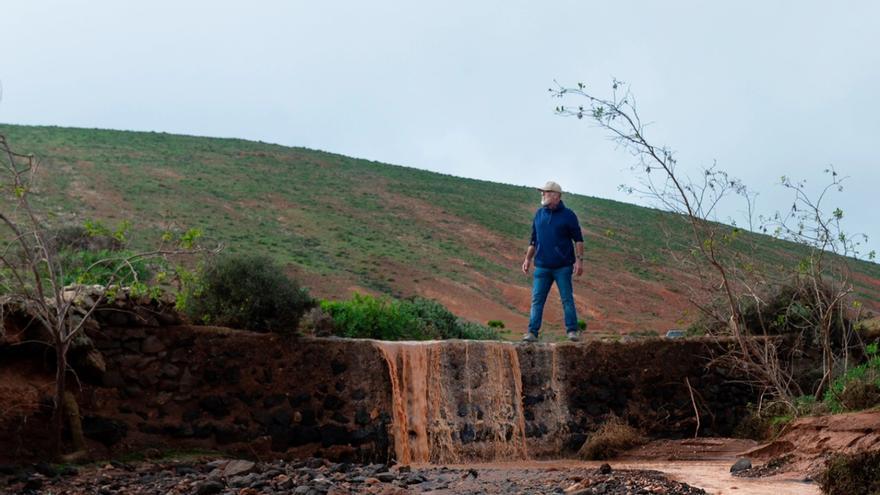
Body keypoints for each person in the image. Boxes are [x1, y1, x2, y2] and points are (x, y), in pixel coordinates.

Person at [521, 181, 585, 342]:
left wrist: (579, 261)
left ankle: (572, 331)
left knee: (566, 299)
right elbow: (533, 240)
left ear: (556, 195)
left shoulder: (568, 215)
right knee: (537, 300)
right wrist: (527, 259)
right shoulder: (539, 214)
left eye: (546, 192)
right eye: (542, 192)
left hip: (562, 266)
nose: (543, 195)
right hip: (542, 266)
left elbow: (578, 239)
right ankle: (532, 332)